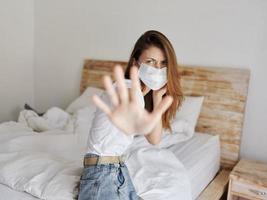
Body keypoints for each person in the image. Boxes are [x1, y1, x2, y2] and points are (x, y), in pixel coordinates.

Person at [78, 30, 183, 200]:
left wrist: (157, 98)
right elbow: (126, 100)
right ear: (135, 64)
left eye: (163, 63)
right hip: (102, 174)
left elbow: (154, 139)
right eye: (151, 61)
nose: (158, 69)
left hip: (119, 171)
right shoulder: (124, 88)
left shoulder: (143, 95)